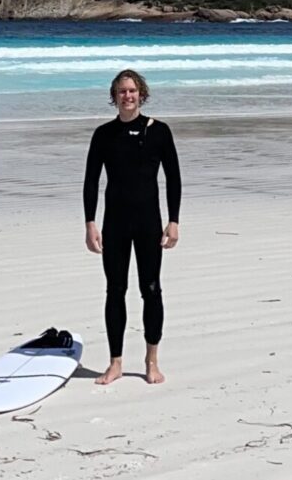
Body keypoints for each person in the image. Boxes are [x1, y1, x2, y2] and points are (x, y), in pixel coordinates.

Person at [82, 68, 181, 385]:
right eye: (122, 91)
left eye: (132, 91)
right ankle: (115, 363)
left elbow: (174, 179)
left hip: (149, 223)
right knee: (115, 291)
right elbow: (90, 182)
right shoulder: (103, 135)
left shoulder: (160, 132)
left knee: (151, 290)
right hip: (115, 225)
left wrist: (174, 221)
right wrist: (90, 223)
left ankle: (152, 361)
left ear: (142, 94)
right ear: (114, 97)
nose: (127, 96)